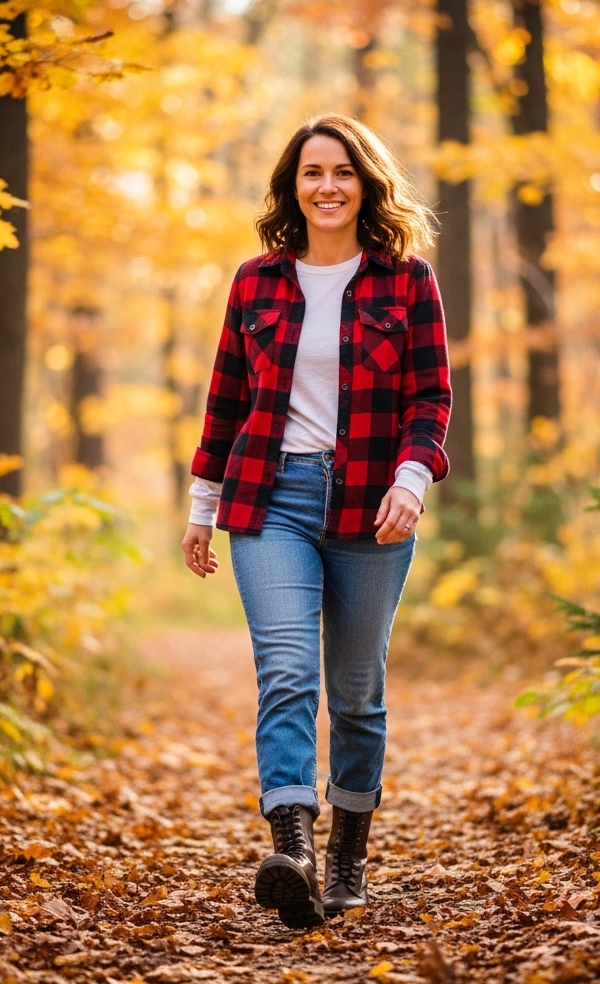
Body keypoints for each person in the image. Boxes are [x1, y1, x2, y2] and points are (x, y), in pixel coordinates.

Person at [181, 114, 451, 929]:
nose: (326, 186)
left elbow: (430, 398)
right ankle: (292, 847)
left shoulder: (408, 280)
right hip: (270, 498)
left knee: (358, 691)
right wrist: (202, 508)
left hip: (374, 504)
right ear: (291, 187)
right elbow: (226, 400)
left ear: (366, 183)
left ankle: (347, 857)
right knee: (288, 671)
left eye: (342, 172)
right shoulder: (255, 281)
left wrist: (412, 478)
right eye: (311, 173)